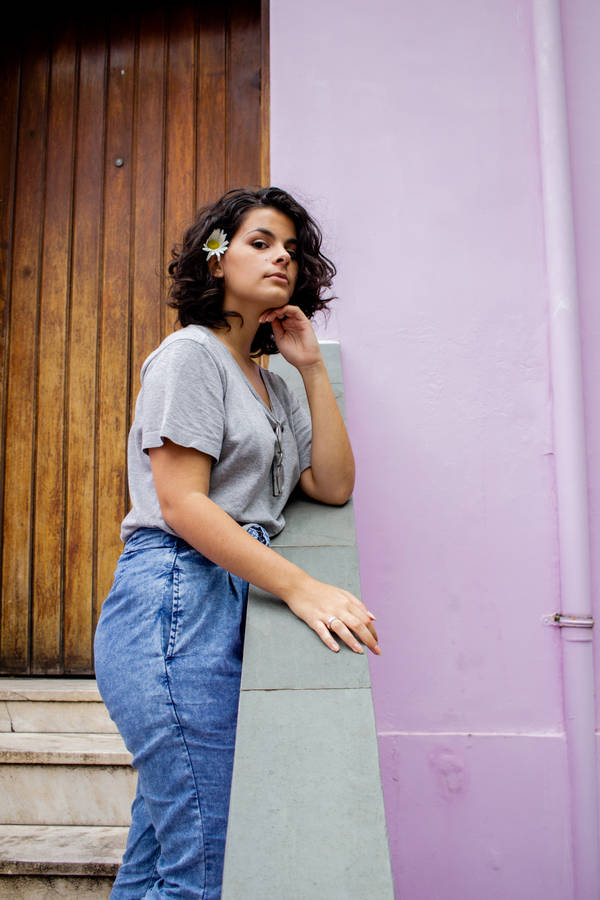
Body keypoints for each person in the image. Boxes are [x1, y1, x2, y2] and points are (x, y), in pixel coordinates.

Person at [94, 186, 381, 899]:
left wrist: (309, 367)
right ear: (216, 259)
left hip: (222, 602)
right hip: (172, 601)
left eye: (290, 247)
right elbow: (183, 504)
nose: (282, 255)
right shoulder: (187, 357)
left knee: (164, 854)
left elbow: (333, 485)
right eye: (260, 242)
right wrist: (300, 584)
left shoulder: (272, 381)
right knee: (206, 855)